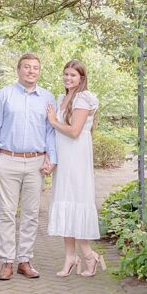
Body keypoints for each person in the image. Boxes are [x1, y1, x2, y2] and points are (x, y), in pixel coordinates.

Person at [0, 53, 58, 281]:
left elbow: (51, 130)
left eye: (35, 67)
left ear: (39, 71)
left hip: (36, 163)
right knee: (6, 213)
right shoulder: (4, 95)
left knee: (31, 214)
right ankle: (7, 261)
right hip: (7, 161)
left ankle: (24, 261)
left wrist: (51, 158)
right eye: (27, 67)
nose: (31, 71)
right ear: (18, 70)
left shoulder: (47, 98)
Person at [45, 59, 105, 278]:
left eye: (73, 75)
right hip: (64, 156)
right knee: (65, 201)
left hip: (77, 156)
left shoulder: (83, 98)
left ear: (81, 78)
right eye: (66, 74)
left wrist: (52, 121)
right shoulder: (63, 98)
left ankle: (89, 255)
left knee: (77, 200)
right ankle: (70, 257)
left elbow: (74, 131)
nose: (68, 78)